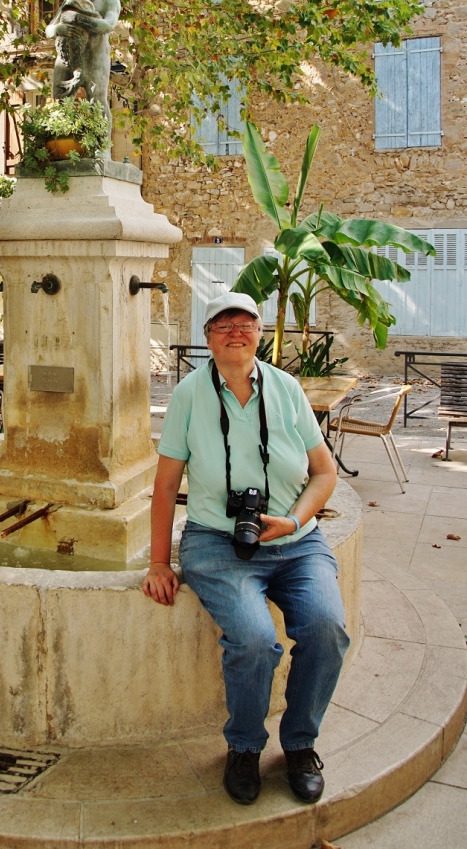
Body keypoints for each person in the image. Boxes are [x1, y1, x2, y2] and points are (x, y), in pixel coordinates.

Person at [142, 292, 349, 806]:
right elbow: (166, 485)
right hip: (216, 540)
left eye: (246, 322)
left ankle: (300, 744)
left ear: (259, 332)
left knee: (327, 630)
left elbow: (325, 473)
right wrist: (158, 561)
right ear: (208, 336)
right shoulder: (189, 394)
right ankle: (244, 747)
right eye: (222, 323)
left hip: (296, 541)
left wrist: (296, 520)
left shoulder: (287, 389)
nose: (235, 331)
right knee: (255, 641)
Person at [44, 0, 121, 132]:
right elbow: (49, 30)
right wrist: (60, 28)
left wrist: (77, 19)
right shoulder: (69, 2)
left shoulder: (110, 2)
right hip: (66, 57)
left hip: (96, 54)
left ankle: (101, 148)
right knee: (60, 99)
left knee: (97, 99)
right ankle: (62, 142)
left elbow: (106, 26)